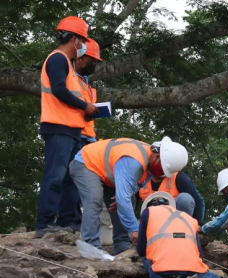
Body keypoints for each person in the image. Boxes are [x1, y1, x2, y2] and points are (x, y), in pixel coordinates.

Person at [36, 16, 100, 238]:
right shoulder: (57, 59)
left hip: (71, 130)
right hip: (58, 128)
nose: (83, 46)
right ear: (73, 39)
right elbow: (59, 90)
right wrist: (85, 105)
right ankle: (44, 223)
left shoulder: (69, 67)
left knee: (68, 179)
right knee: (55, 176)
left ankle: (66, 222)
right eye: (82, 41)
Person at [69, 137, 188, 255]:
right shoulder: (133, 161)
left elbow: (133, 188)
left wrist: (123, 198)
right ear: (157, 158)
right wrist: (135, 229)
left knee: (127, 201)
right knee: (94, 200)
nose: (162, 174)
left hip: (107, 172)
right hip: (86, 163)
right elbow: (123, 198)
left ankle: (122, 245)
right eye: (163, 170)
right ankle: (91, 247)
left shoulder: (151, 161)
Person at [137, 192, 227, 278]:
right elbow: (200, 255)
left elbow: (141, 250)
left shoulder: (148, 213)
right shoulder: (190, 219)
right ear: (170, 205)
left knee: (146, 256)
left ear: (149, 206)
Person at [72, 38, 103, 229]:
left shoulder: (87, 85)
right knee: (73, 179)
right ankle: (72, 219)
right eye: (91, 60)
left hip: (88, 137)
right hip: (76, 134)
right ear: (80, 58)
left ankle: (79, 221)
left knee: (84, 182)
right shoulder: (71, 80)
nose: (93, 65)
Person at [137, 171, 206, 225]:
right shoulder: (140, 179)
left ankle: (182, 233)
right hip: (150, 221)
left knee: (185, 199)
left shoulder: (179, 177)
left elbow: (199, 201)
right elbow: (129, 204)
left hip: (174, 221)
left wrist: (197, 225)